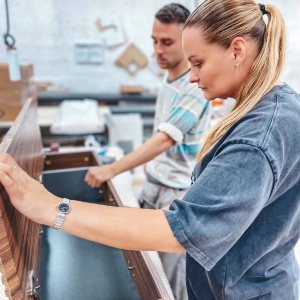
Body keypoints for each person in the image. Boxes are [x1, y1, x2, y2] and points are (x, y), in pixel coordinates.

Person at [0, 0, 299, 299]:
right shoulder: (273, 110)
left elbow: (180, 231)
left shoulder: (259, 137)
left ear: (237, 50)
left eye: (198, 63)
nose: (192, 77)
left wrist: (51, 207)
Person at [85, 4, 211, 299]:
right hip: (153, 186)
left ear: (185, 42)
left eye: (166, 42)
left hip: (175, 194)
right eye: (154, 40)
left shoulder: (193, 87)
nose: (157, 49)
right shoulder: (167, 81)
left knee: (170, 283)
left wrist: (112, 168)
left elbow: (165, 139)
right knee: (147, 270)